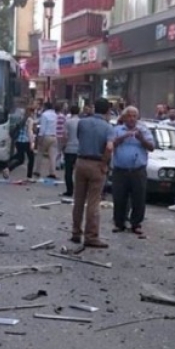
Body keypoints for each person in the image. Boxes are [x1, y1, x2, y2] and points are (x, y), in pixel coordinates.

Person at [72, 98, 114, 248]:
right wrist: (104, 163)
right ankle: (91, 236)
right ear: (108, 110)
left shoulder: (82, 122)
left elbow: (79, 137)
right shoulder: (108, 127)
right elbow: (109, 147)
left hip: (81, 161)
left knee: (78, 199)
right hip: (97, 164)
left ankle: (76, 232)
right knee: (93, 202)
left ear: (94, 108)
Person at [111, 106, 154, 235]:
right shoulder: (117, 130)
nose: (131, 119)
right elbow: (110, 145)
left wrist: (141, 139)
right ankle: (119, 223)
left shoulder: (144, 130)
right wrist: (124, 137)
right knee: (119, 198)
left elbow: (151, 147)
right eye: (129, 116)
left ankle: (136, 224)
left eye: (134, 116)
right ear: (124, 117)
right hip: (120, 170)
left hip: (138, 170)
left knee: (139, 198)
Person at [3, 104, 36, 180]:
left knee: (20, 158)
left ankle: (8, 168)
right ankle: (29, 176)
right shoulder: (30, 120)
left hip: (18, 141)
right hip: (26, 141)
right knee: (31, 158)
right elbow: (29, 132)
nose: (34, 114)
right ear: (31, 112)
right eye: (33, 112)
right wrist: (32, 143)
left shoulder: (22, 118)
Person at [61, 104, 81, 198]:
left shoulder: (68, 122)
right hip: (79, 149)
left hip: (69, 148)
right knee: (79, 172)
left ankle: (69, 190)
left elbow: (65, 135)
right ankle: (79, 191)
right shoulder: (81, 122)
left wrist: (63, 146)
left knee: (68, 171)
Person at [35, 101, 58, 179]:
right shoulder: (55, 115)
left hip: (46, 136)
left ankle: (37, 171)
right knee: (52, 156)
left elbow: (42, 128)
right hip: (54, 136)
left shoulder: (44, 115)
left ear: (45, 107)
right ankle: (52, 172)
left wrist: (40, 138)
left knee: (40, 153)